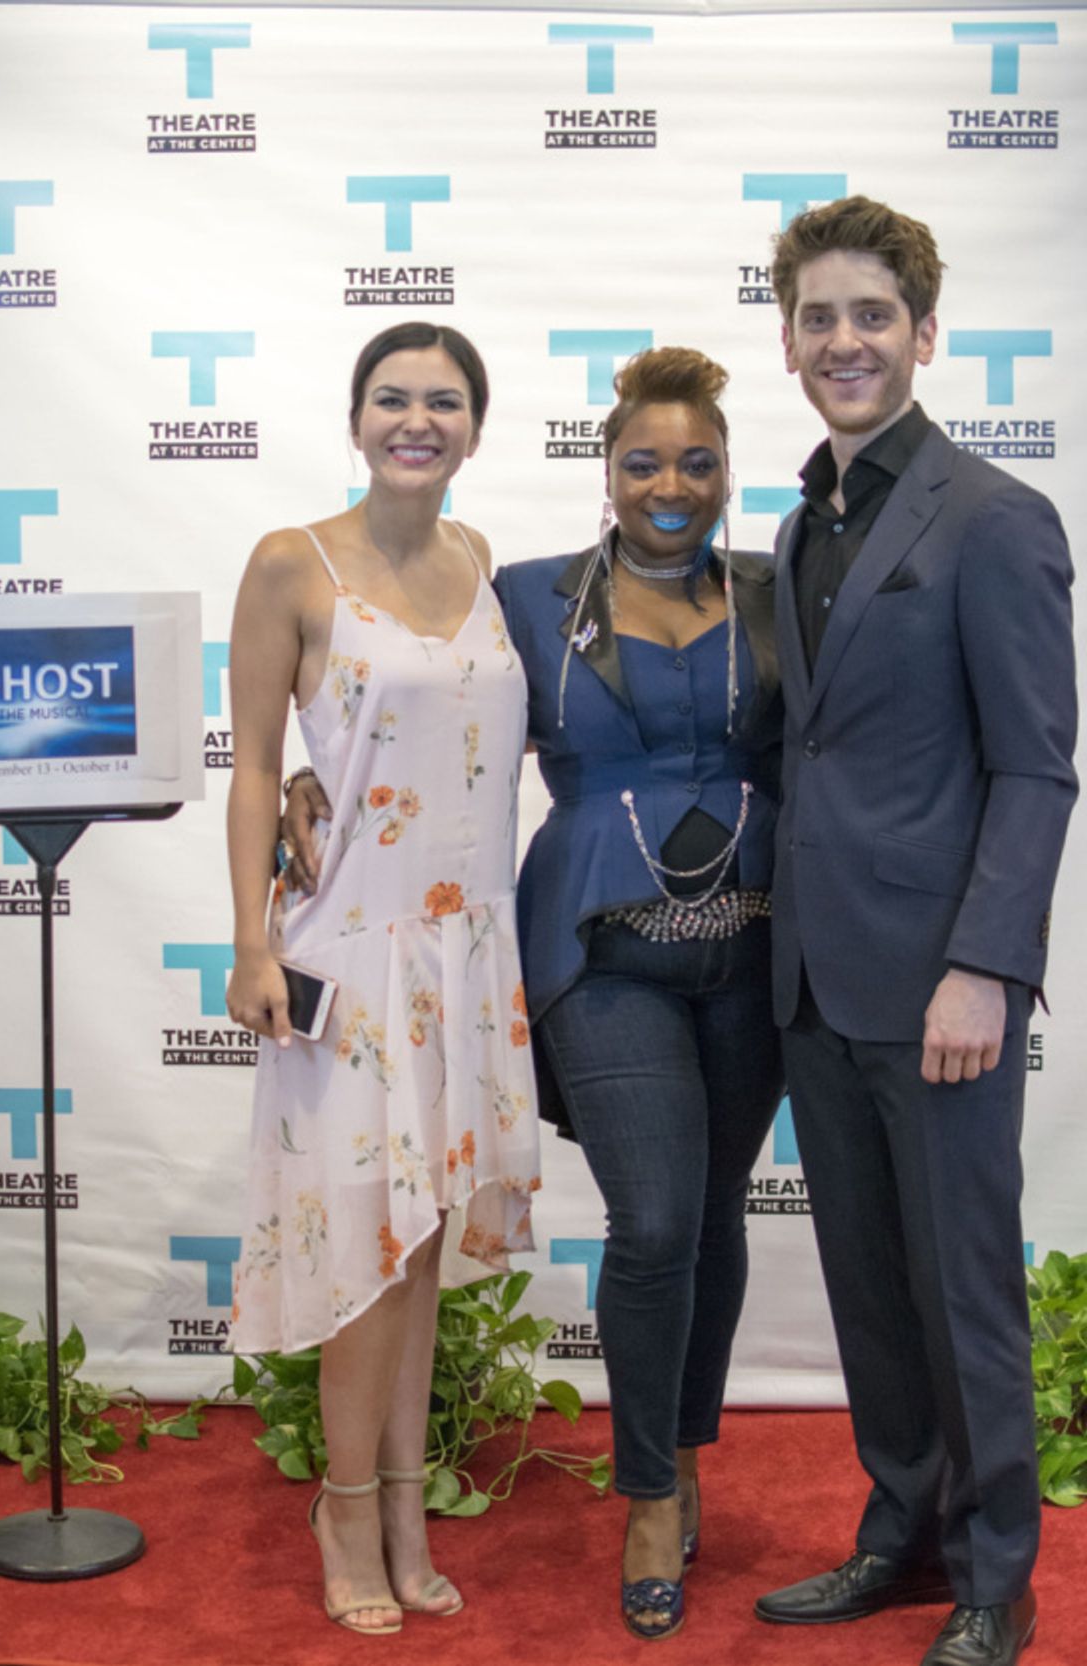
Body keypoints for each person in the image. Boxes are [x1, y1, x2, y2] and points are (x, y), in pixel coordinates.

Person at [753, 197, 1077, 1666]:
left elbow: (1035, 767)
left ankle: (998, 1574)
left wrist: (986, 967)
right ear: (789, 341)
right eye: (819, 317)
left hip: (942, 984)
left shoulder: (997, 520)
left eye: (871, 315)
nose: (845, 340)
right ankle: (903, 1533)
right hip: (816, 982)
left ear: (924, 334)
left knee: (963, 1293)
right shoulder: (797, 523)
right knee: (873, 1292)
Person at [224, 321, 540, 1636]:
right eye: (394, 398)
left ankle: (406, 1507)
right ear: (356, 420)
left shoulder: (486, 562)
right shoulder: (290, 562)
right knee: (364, 1249)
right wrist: (250, 940)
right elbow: (256, 764)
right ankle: (345, 1507)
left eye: (445, 401)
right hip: (351, 956)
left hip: (470, 958)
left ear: (475, 428)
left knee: (416, 1254)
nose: (419, 419)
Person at [498, 348, 783, 1640]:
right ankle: (651, 1493)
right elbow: (419, 707)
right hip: (603, 950)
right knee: (657, 1217)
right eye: (645, 462)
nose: (672, 485)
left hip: (756, 953)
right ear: (606, 471)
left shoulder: (777, 594)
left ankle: (686, 1445)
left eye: (698, 462)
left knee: (715, 1214)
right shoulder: (530, 598)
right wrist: (304, 779)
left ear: (727, 472)